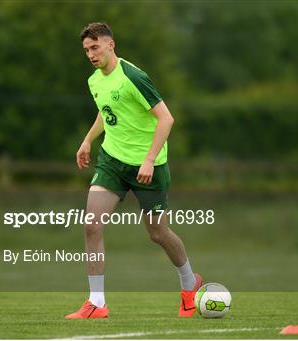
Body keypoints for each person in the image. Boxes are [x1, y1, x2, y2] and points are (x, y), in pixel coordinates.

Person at [66, 22, 202, 319]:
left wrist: (150, 159)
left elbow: (166, 119)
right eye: (86, 49)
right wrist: (88, 140)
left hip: (148, 166)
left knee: (157, 232)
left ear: (110, 44)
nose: (90, 54)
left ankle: (190, 282)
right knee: (91, 224)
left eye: (95, 47)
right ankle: (97, 303)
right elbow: (107, 112)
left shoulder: (134, 77)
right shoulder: (94, 81)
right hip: (112, 161)